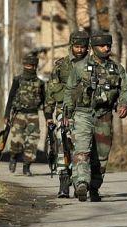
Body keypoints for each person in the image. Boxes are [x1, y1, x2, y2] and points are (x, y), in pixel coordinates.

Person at [63, 31, 127, 202]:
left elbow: (126, 90)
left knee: (101, 156)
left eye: (108, 45)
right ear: (94, 48)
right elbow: (70, 90)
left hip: (105, 115)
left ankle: (94, 187)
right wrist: (67, 113)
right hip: (83, 114)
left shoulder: (117, 68)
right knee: (82, 150)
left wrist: (124, 104)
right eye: (102, 46)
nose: (106, 48)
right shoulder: (79, 67)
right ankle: (81, 183)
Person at [44, 30, 89, 198]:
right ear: (71, 46)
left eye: (83, 47)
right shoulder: (61, 65)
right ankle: (64, 183)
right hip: (63, 112)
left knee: (83, 148)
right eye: (76, 46)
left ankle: (81, 182)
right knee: (64, 145)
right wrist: (48, 116)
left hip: (87, 111)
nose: (79, 50)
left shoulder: (93, 65)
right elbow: (51, 92)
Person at [4, 54, 45, 176]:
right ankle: (13, 157)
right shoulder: (18, 80)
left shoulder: (40, 83)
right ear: (24, 65)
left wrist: (48, 117)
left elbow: (44, 100)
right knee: (16, 140)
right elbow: (11, 97)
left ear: (36, 66)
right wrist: (7, 115)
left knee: (32, 142)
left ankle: (27, 166)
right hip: (19, 114)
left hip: (33, 115)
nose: (30, 68)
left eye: (32, 65)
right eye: (28, 65)